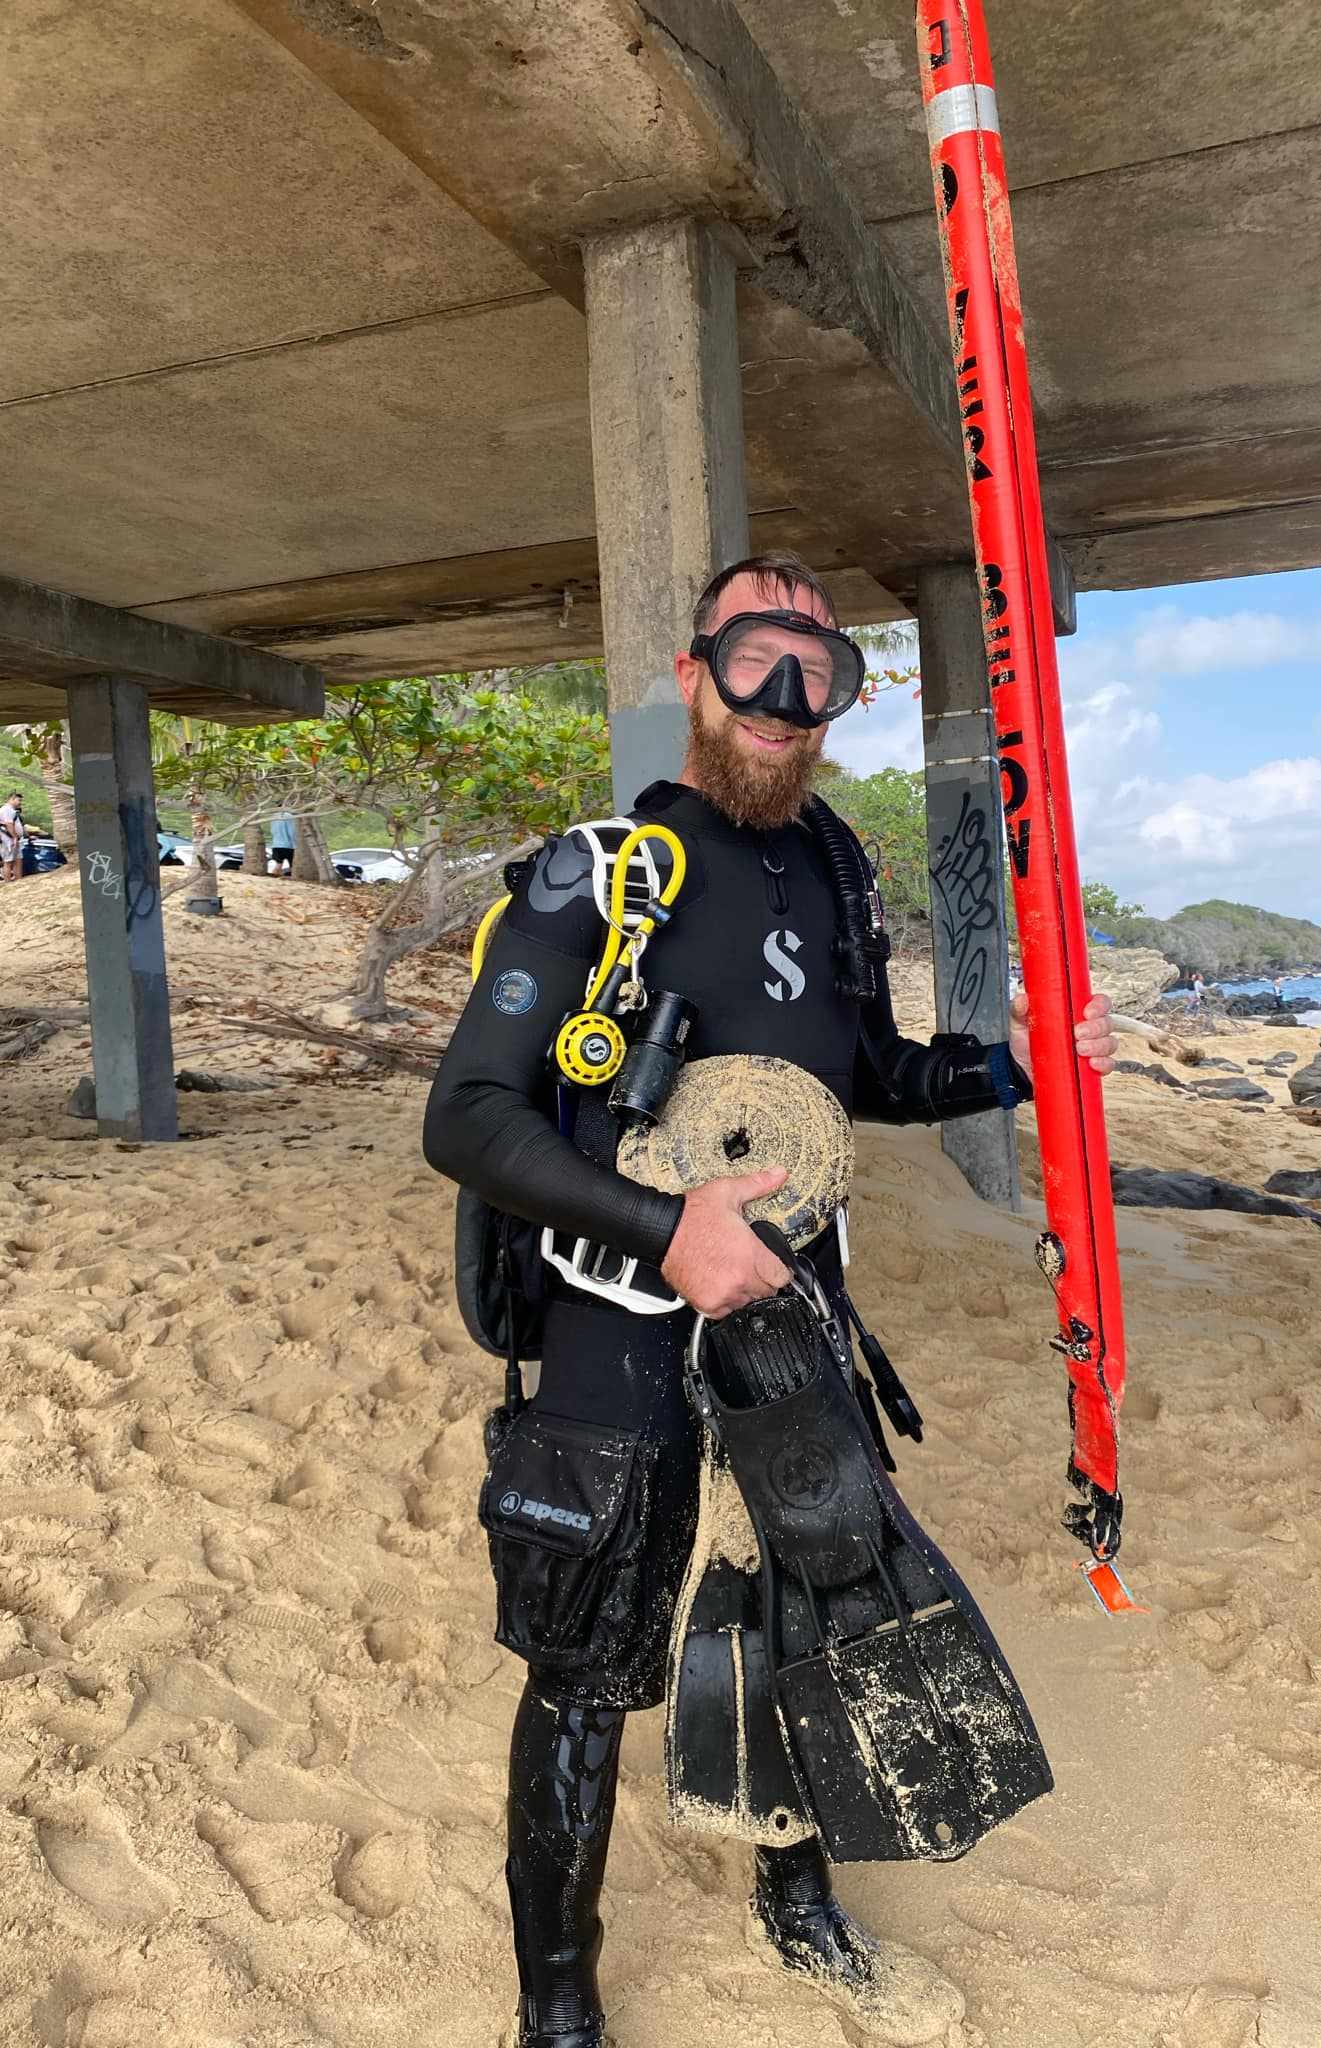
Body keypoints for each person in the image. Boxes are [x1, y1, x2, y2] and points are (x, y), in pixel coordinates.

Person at [422, 551, 1117, 2048]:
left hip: (789, 1323)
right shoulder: (599, 873)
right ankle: (558, 2008)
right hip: (620, 1315)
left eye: (821, 675)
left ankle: (798, 1905)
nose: (788, 704)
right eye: (757, 662)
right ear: (695, 676)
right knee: (583, 1671)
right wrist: (668, 1230)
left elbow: (871, 1077)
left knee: (808, 1600)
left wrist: (1027, 1061)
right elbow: (470, 1117)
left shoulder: (839, 871)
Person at [0, 792, 32, 883]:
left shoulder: (12, 810)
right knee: (8, 861)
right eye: (19, 800)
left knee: (18, 859)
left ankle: (19, 881)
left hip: (15, 839)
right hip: (7, 839)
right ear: (12, 799)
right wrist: (14, 837)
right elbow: (9, 824)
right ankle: (8, 883)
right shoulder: (6, 810)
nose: (20, 802)